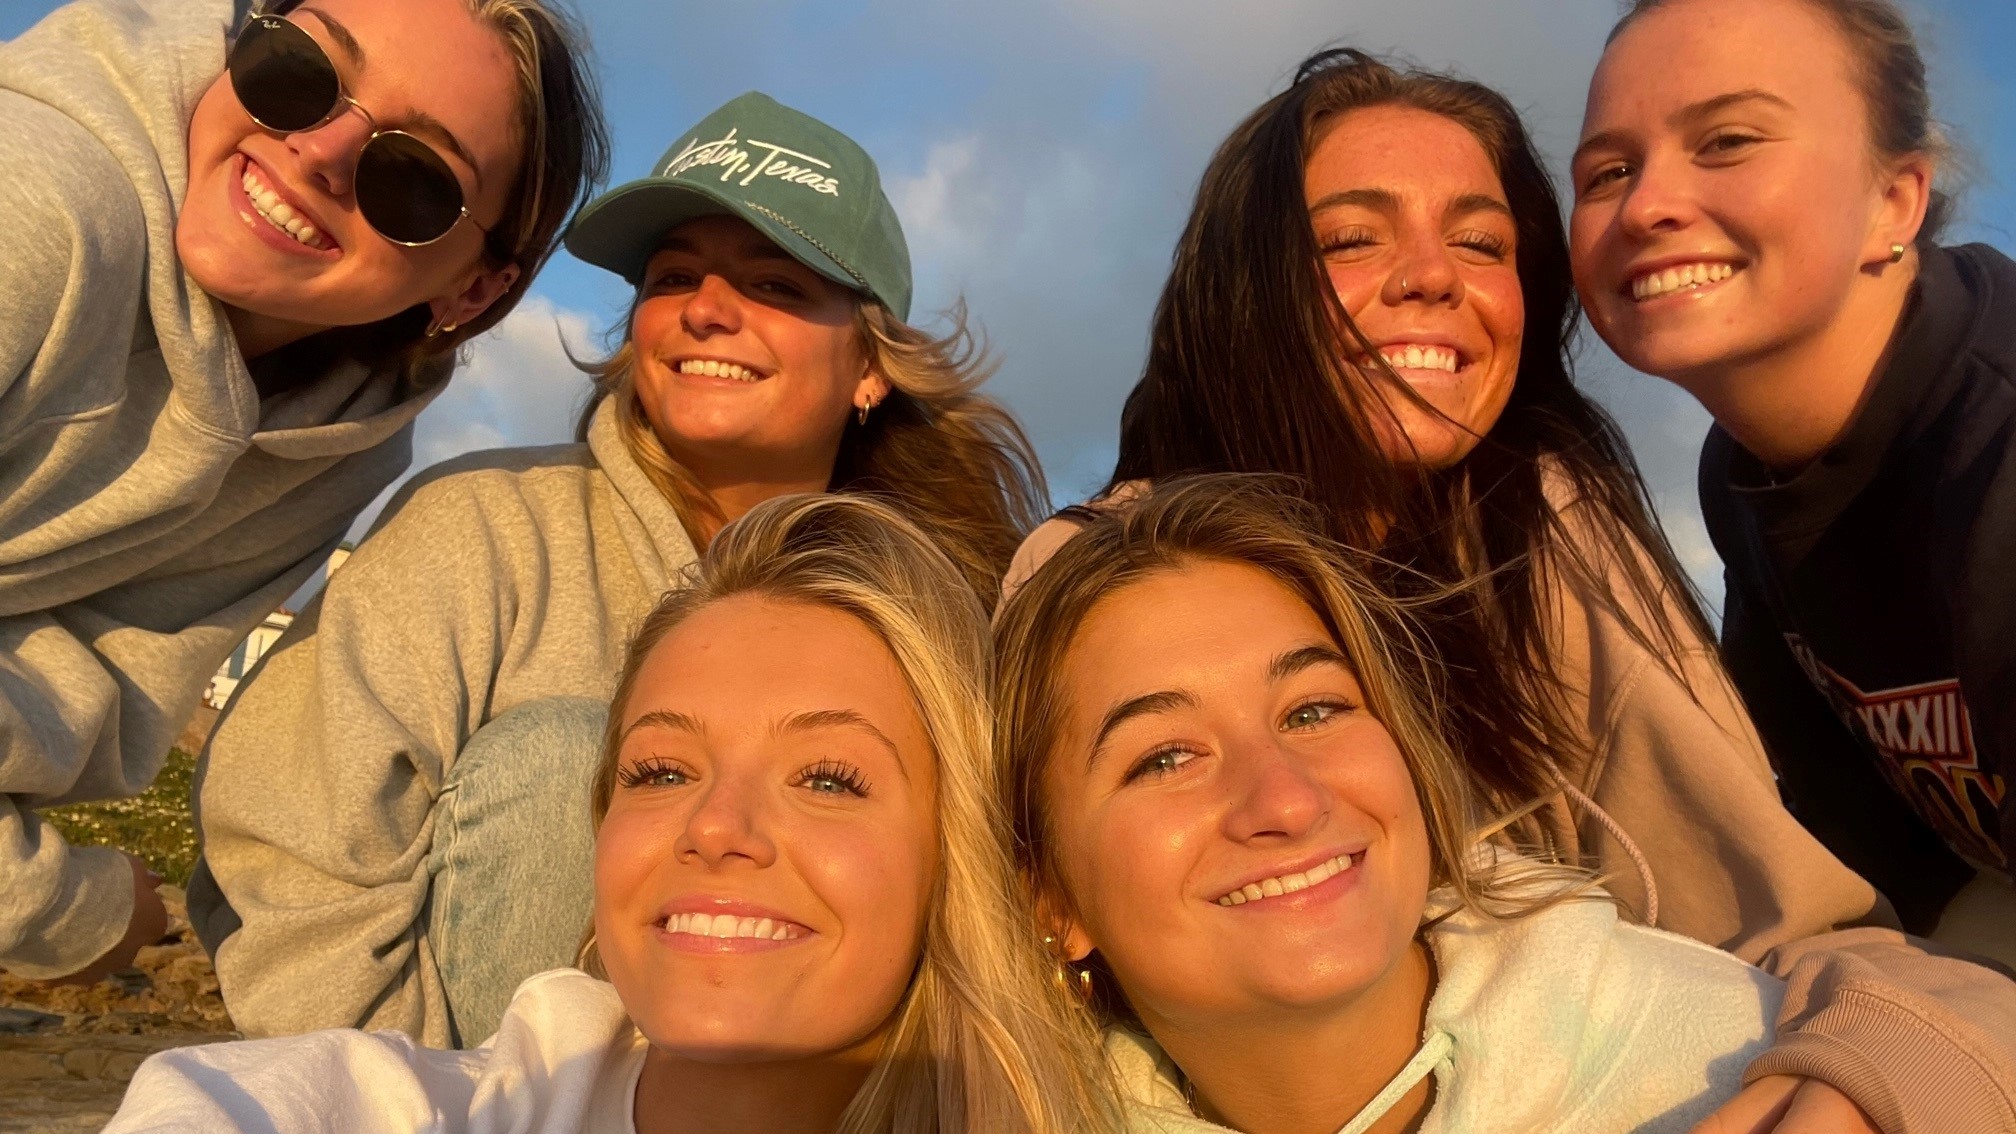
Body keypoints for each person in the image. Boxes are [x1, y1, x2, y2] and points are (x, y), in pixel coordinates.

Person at [1006, 49, 2016, 1131]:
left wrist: (1862, 1084)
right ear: (1241, 288)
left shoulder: (1544, 529)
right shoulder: (1104, 576)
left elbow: (1782, 922)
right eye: (1351, 238)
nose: (1432, 276)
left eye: (1483, 243)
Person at [188, 91, 1049, 1048]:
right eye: (674, 278)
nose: (709, 312)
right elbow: (286, 856)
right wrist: (428, 1102)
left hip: (848, 1083)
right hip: (480, 1094)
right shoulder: (480, 529)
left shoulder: (953, 599)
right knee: (563, 760)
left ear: (870, 366)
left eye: (776, 285)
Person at [107, 493, 1115, 1134]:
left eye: (828, 779)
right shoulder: (459, 1105)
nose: (714, 827)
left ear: (967, 857)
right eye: (661, 771)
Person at [0, 0, 607, 986]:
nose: (316, 149)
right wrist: (69, 912)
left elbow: (100, 695)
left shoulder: (346, 441)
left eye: (414, 180)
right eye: (299, 70)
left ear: (474, 294)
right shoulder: (33, 209)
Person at [995, 476, 1806, 1134]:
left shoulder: (1750, 1070)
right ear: (1051, 895)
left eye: (1312, 710)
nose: (1287, 799)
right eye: (1166, 757)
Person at [1570, 0, 2016, 965]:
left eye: (1726, 141)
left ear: (1895, 200)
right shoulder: (1743, 475)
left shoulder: (1999, 444)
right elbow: (1839, 836)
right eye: (1607, 172)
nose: (1645, 206)